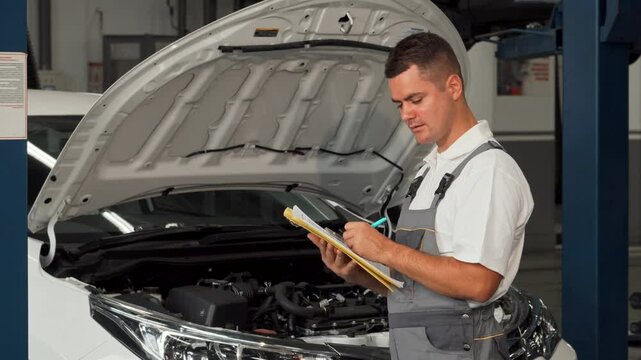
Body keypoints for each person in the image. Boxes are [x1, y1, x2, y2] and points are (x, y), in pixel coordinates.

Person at [307, 32, 533, 360]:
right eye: (399, 104)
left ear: (453, 87)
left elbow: (477, 282)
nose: (406, 115)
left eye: (416, 99)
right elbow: (420, 290)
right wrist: (360, 272)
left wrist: (384, 249)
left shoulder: (487, 171)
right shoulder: (429, 170)